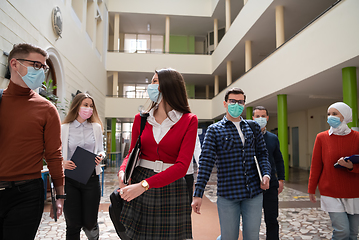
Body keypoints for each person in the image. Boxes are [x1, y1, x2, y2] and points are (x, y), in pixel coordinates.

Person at [117, 68, 198, 240]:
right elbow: (132, 153)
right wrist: (122, 171)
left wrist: (144, 185)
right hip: (140, 178)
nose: (150, 86)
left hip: (171, 185)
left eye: (155, 81)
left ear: (168, 86)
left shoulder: (189, 120)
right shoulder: (141, 119)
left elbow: (182, 166)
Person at [0, 43, 65, 240]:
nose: (41, 72)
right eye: (36, 65)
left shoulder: (46, 109)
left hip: (27, 193)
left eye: (43, 67)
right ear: (15, 64)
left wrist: (60, 195)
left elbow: (54, 154)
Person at [192, 87, 271, 240]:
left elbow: (262, 154)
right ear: (225, 103)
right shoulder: (214, 130)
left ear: (244, 104)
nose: (236, 105)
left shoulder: (253, 127)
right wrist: (198, 193)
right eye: (232, 101)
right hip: (228, 194)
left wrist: (266, 173)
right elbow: (206, 161)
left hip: (253, 192)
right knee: (229, 237)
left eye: (240, 102)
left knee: (252, 236)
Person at [308, 102, 359, 240]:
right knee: (342, 231)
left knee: (353, 233)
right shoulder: (322, 137)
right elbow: (316, 165)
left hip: (354, 192)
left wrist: (351, 167)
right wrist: (311, 189)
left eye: (334, 114)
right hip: (330, 191)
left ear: (345, 116)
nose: (330, 117)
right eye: (329, 114)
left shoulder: (357, 137)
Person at [61, 93, 105, 240]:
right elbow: (55, 152)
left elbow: (100, 149)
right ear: (76, 106)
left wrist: (100, 156)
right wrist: (63, 162)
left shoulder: (96, 127)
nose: (89, 108)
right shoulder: (64, 128)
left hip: (90, 179)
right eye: (85, 105)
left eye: (91, 106)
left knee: (90, 222)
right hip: (70, 180)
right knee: (73, 223)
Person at [253, 106, 285, 240]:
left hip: (270, 184)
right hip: (253, 185)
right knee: (252, 220)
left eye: (263, 116)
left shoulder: (273, 138)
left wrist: (281, 179)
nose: (261, 119)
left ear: (267, 118)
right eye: (257, 116)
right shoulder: (248, 137)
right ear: (253, 118)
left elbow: (279, 159)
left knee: (271, 218)